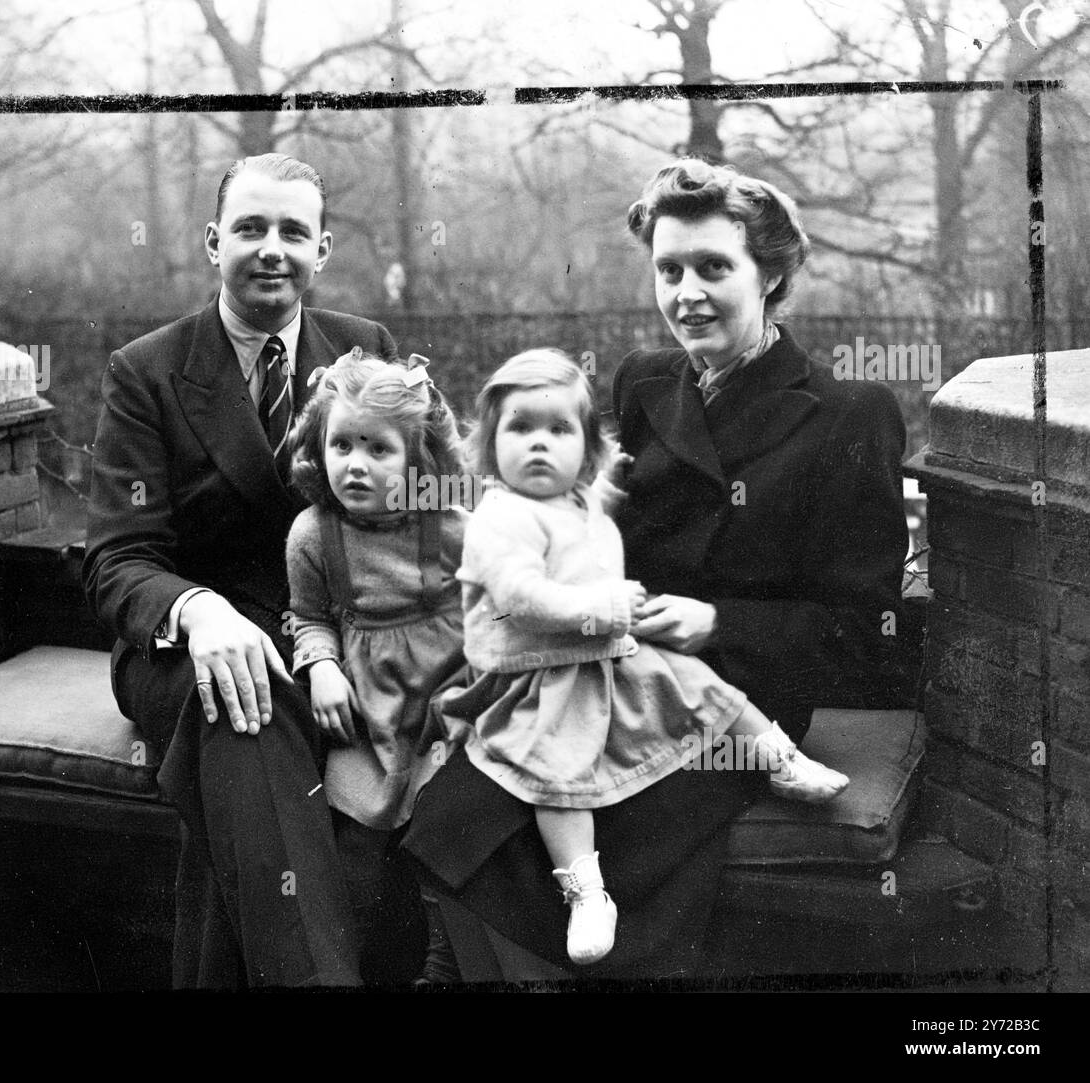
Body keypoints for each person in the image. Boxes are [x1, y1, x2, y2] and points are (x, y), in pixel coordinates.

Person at [403, 158, 907, 979]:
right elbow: (576, 519)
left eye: (715, 267)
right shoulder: (644, 380)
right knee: (458, 811)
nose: (687, 293)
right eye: (669, 269)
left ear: (772, 274)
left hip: (733, 698)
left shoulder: (849, 412)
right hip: (593, 666)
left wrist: (716, 621)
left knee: (605, 861)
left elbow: (866, 632)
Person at [83, 152, 398, 988]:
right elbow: (117, 558)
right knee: (242, 714)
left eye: (294, 231)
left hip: (326, 642)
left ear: (321, 251)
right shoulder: (146, 370)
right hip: (182, 652)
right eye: (251, 228)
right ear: (214, 242)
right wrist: (199, 611)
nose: (272, 249)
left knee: (245, 780)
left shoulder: (364, 349)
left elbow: (416, 505)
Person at [434, 348, 848, 966]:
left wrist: (610, 481)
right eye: (520, 430)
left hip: (603, 655)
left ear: (585, 446)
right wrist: (603, 607)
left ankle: (780, 757)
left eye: (559, 430)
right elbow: (523, 597)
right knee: (557, 774)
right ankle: (586, 891)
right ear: (490, 446)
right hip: (537, 678)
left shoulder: (575, 498)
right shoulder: (501, 519)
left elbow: (594, 511)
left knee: (701, 683)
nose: (539, 446)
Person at [283, 347, 469, 982]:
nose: (355, 465)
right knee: (355, 844)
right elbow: (309, 618)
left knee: (446, 834)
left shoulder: (448, 526)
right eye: (341, 446)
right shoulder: (313, 535)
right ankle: (345, 968)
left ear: (418, 458)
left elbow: (493, 606)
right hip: (366, 710)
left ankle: (443, 968)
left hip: (445, 704)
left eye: (378, 449)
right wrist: (321, 667)